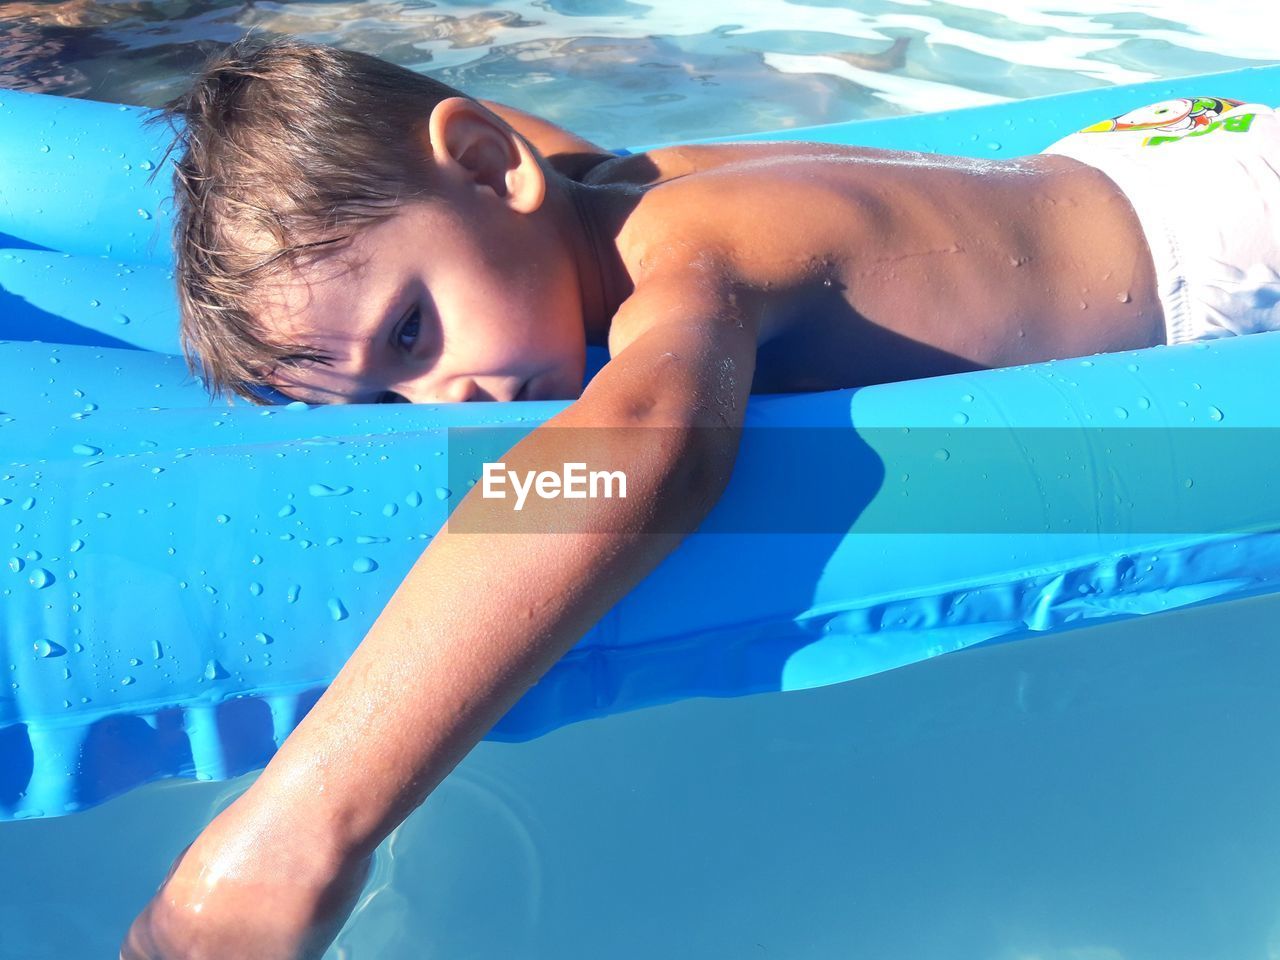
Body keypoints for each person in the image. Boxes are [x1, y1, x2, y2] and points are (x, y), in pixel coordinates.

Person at [121, 36, 1280, 959]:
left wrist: (301, 828)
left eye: (411, 331)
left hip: (1223, 245)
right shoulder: (583, 189)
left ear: (488, 168)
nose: (439, 405)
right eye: (379, 403)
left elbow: (650, 446)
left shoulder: (685, 257)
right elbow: (511, 153)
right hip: (1141, 154)